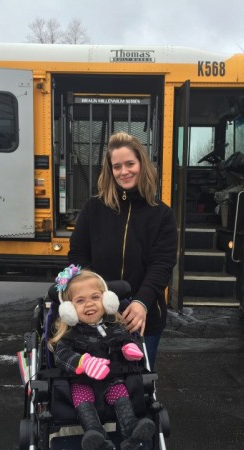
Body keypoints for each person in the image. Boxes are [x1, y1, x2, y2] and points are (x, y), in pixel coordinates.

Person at [68, 131, 178, 370]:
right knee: (97, 384)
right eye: (116, 166)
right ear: (110, 171)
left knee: (138, 386)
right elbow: (77, 256)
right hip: (95, 318)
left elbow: (162, 265)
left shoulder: (162, 214)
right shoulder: (93, 208)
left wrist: (142, 302)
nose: (124, 171)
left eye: (130, 164)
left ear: (142, 165)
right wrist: (94, 296)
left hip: (142, 318)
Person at [49, 264, 156, 450]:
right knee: (84, 402)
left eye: (95, 297)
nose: (89, 304)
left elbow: (125, 340)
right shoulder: (70, 334)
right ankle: (94, 433)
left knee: (121, 396)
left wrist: (129, 348)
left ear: (107, 301)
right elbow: (61, 355)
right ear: (68, 310)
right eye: (80, 301)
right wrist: (83, 362)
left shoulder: (115, 326)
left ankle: (132, 430)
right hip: (82, 382)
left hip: (112, 379)